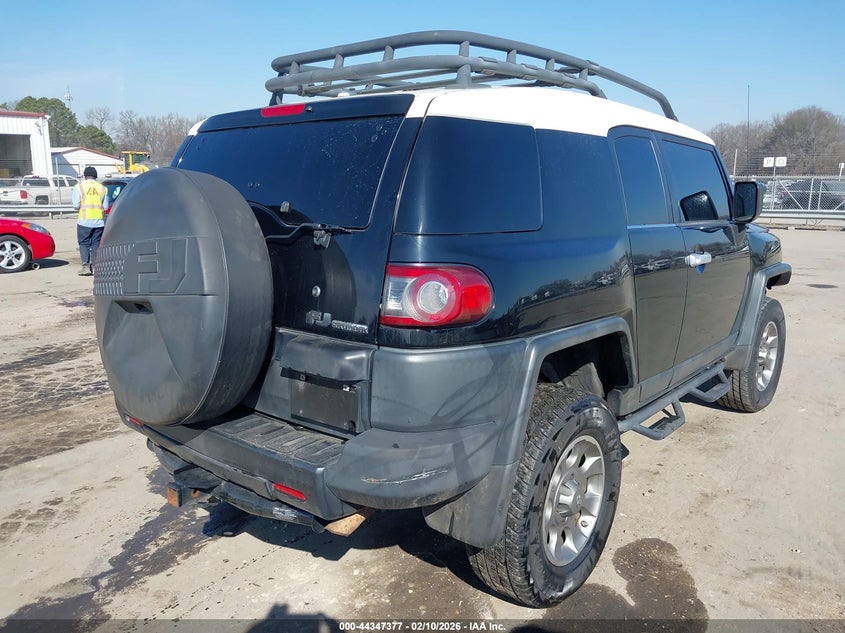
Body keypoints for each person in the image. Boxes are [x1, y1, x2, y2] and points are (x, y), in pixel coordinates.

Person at [72, 166, 109, 276]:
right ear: (95, 176)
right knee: (95, 244)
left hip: (84, 220)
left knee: (83, 243)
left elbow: (75, 205)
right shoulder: (102, 188)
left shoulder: (79, 187)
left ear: (85, 175)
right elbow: (106, 207)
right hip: (99, 221)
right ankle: (96, 267)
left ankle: (86, 267)